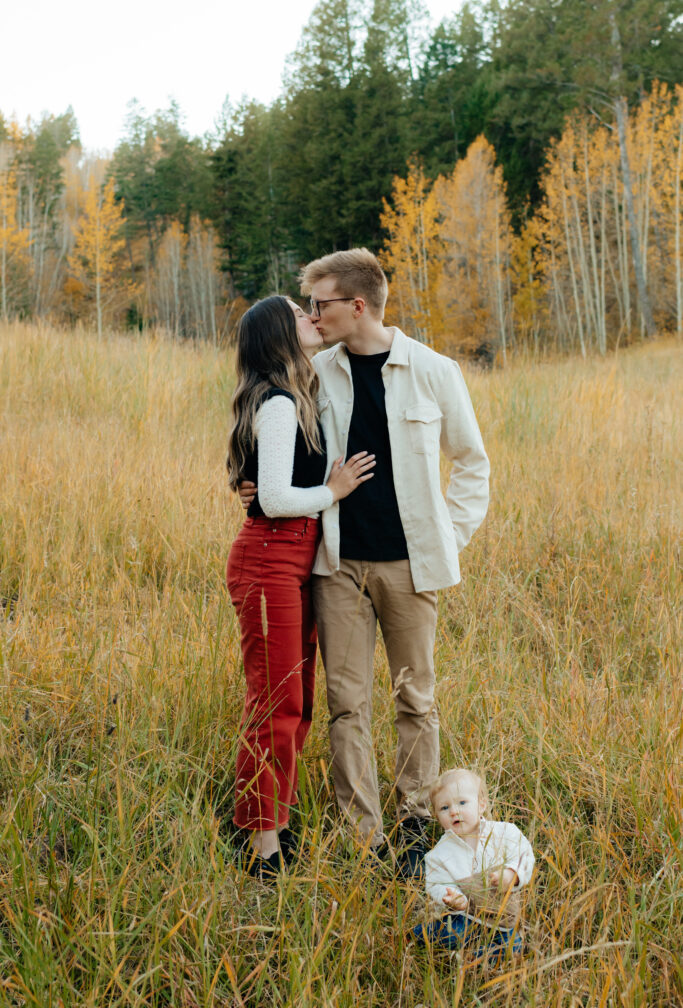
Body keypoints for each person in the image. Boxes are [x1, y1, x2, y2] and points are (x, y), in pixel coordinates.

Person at [240, 249, 490, 876]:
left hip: (411, 567)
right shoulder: (316, 371)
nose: (313, 315)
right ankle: (363, 833)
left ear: (357, 306)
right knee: (347, 704)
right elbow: (272, 433)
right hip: (336, 566)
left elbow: (472, 463)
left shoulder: (434, 371)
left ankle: (412, 825)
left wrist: (446, 539)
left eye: (320, 303)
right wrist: (249, 482)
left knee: (416, 700)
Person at [225, 295, 375, 879]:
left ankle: (271, 824)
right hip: (270, 560)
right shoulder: (281, 404)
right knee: (276, 703)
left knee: (296, 700)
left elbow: (261, 487)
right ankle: (262, 846)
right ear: (279, 336)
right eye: (299, 315)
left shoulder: (291, 395)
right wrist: (334, 491)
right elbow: (276, 498)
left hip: (289, 559)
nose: (313, 318)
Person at [412, 768, 534, 959]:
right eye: (445, 808)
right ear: (437, 815)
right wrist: (453, 898)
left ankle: (475, 956)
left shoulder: (505, 833)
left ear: (481, 805)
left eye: (462, 802)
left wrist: (513, 874)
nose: (454, 811)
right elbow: (436, 883)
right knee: (449, 934)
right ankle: (423, 935)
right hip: (464, 917)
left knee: (514, 951)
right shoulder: (439, 854)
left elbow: (525, 855)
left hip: (501, 920)